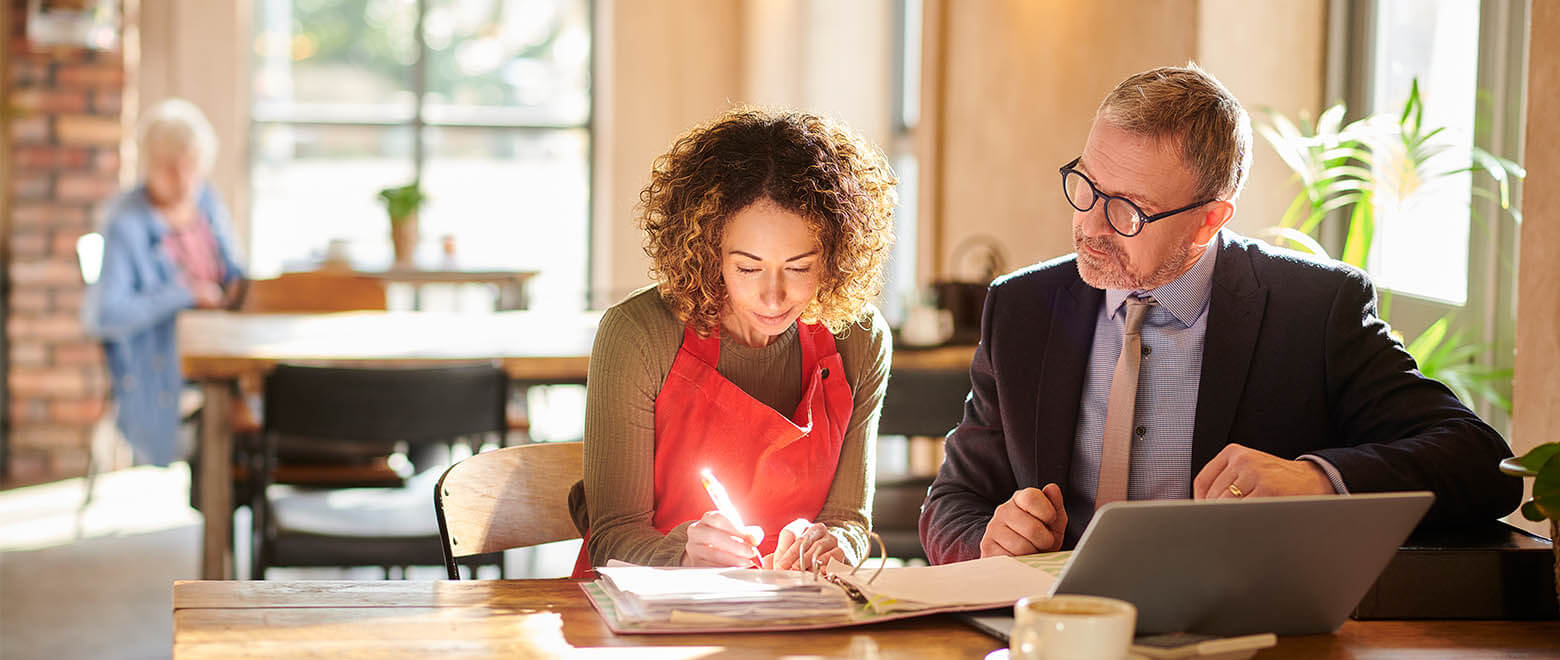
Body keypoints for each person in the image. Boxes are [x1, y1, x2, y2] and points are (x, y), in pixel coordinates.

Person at [918, 64, 1521, 565]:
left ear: (1210, 220)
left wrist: (1315, 480)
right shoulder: (1021, 308)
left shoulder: (1313, 312)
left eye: (1128, 209)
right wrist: (988, 542)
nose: (1092, 226)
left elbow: (1481, 461)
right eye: (1086, 185)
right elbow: (953, 501)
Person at [569, 107, 897, 577]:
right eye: (747, 267)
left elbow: (848, 520)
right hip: (644, 620)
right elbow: (611, 537)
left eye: (800, 267)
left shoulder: (858, 339)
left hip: (790, 616)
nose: (773, 295)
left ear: (836, 258)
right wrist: (684, 555)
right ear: (709, 252)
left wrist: (833, 545)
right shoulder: (639, 334)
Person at [82, 98, 245, 467]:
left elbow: (234, 267)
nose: (185, 180)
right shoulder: (125, 221)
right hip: (160, 368)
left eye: (193, 167)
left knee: (276, 399)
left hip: (222, 348)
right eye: (171, 169)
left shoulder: (205, 201)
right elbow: (103, 316)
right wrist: (184, 295)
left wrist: (236, 285)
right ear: (150, 165)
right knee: (232, 419)